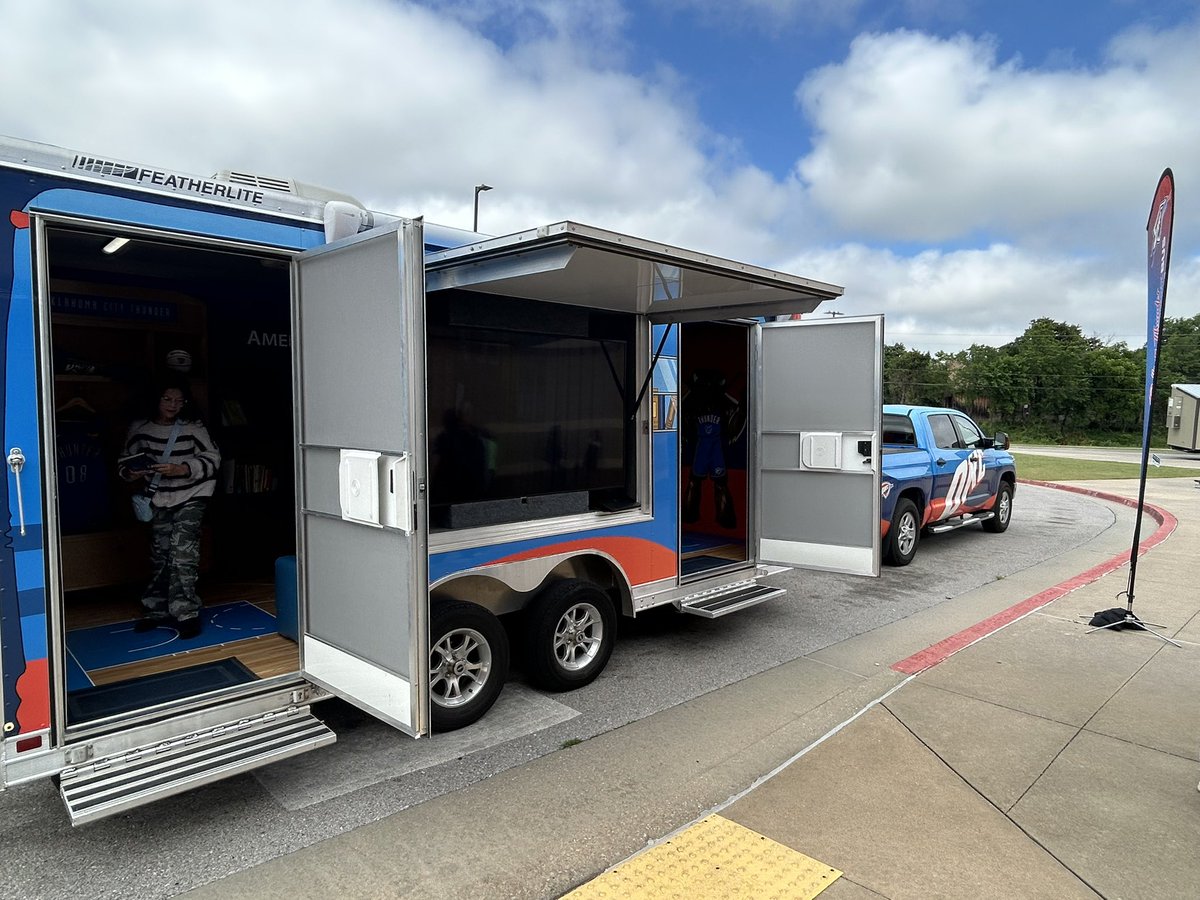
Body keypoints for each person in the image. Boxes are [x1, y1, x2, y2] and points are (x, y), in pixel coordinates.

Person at [119, 379, 220, 638]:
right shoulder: (139, 428)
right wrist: (132, 473)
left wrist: (182, 469)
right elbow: (123, 465)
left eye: (179, 400)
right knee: (160, 554)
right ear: (156, 399)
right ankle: (156, 610)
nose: (173, 405)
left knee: (183, 553)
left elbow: (212, 458)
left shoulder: (193, 427)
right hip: (158, 497)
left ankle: (186, 613)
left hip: (192, 494)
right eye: (167, 399)